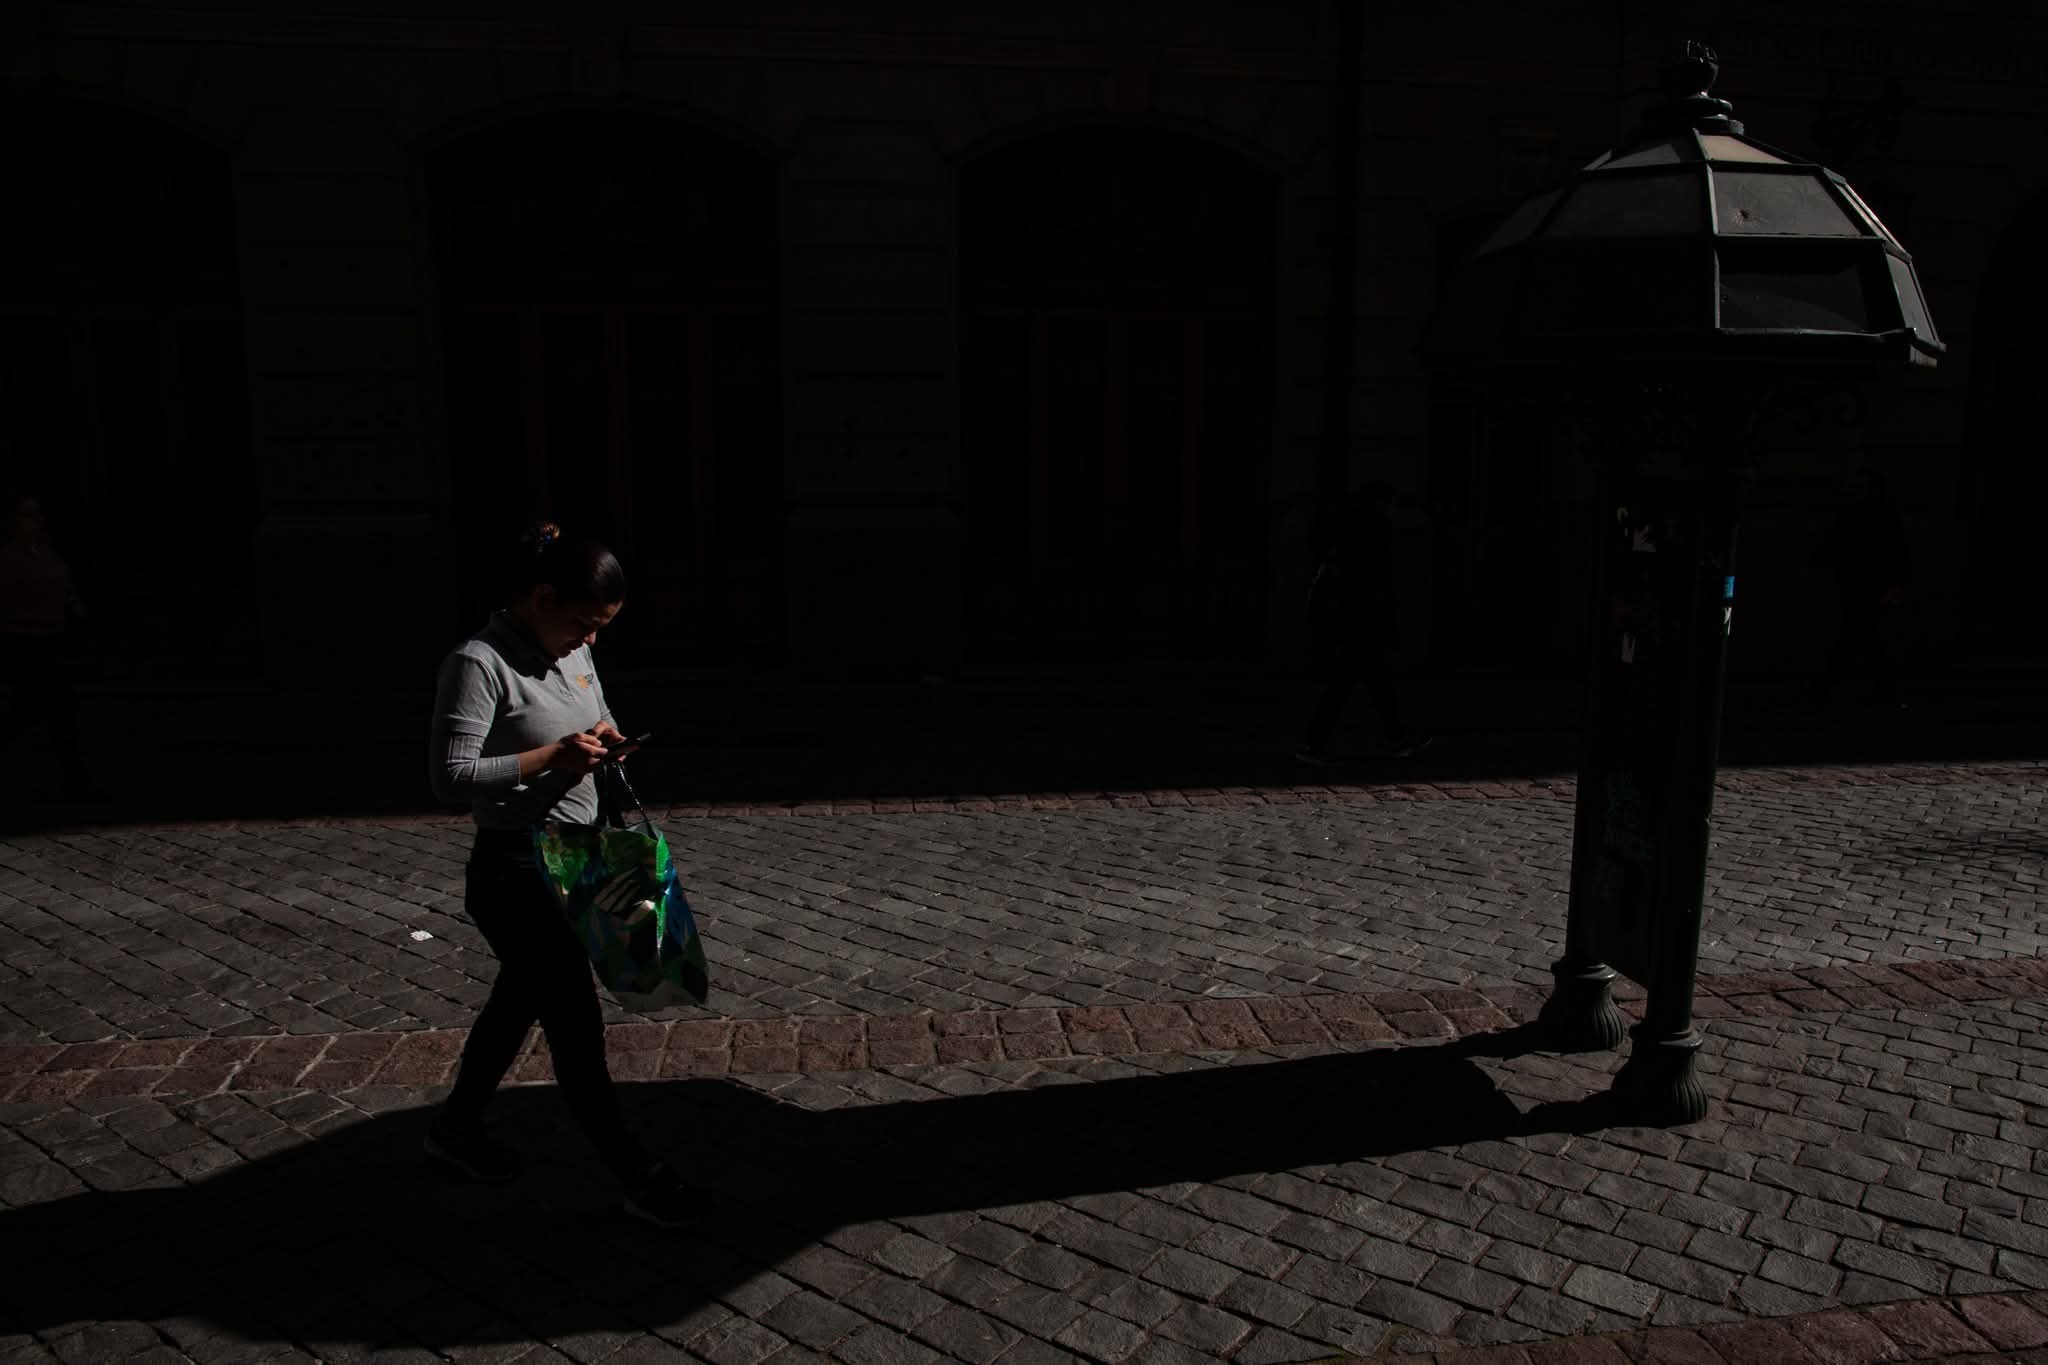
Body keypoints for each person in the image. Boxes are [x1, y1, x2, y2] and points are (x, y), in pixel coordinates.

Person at [428, 520, 695, 1228]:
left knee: (516, 1003)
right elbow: (450, 777)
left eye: (602, 628)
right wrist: (552, 758)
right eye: (583, 623)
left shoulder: (573, 651)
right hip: (516, 870)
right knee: (574, 1024)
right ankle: (637, 1171)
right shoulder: (478, 663)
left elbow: (597, 715)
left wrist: (608, 741)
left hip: (583, 855)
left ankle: (453, 1130)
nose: (591, 640)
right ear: (540, 597)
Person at [1296, 481, 1432, 765]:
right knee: (1355, 685)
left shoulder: (1354, 533)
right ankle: (1313, 745)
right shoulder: (1373, 536)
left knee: (1365, 685)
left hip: (1353, 623)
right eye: (1392, 503)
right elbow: (1371, 587)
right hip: (1360, 623)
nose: (1396, 510)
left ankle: (1393, 740)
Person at [0, 494, 92, 800]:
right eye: (26, 515)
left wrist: (74, 607)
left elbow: (65, 588)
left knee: (50, 711)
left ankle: (75, 781)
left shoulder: (50, 553)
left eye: (37, 515)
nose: (33, 522)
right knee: (37, 710)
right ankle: (75, 782)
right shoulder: (7, 557)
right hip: (23, 642)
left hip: (52, 640)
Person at [1812, 470, 1910, 709]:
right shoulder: (1877, 519)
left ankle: (1827, 689)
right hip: (1867, 586)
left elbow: (1831, 546)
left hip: (1860, 585)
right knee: (1865, 639)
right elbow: (1898, 555)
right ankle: (1882, 693)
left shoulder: (1858, 518)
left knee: (1860, 638)